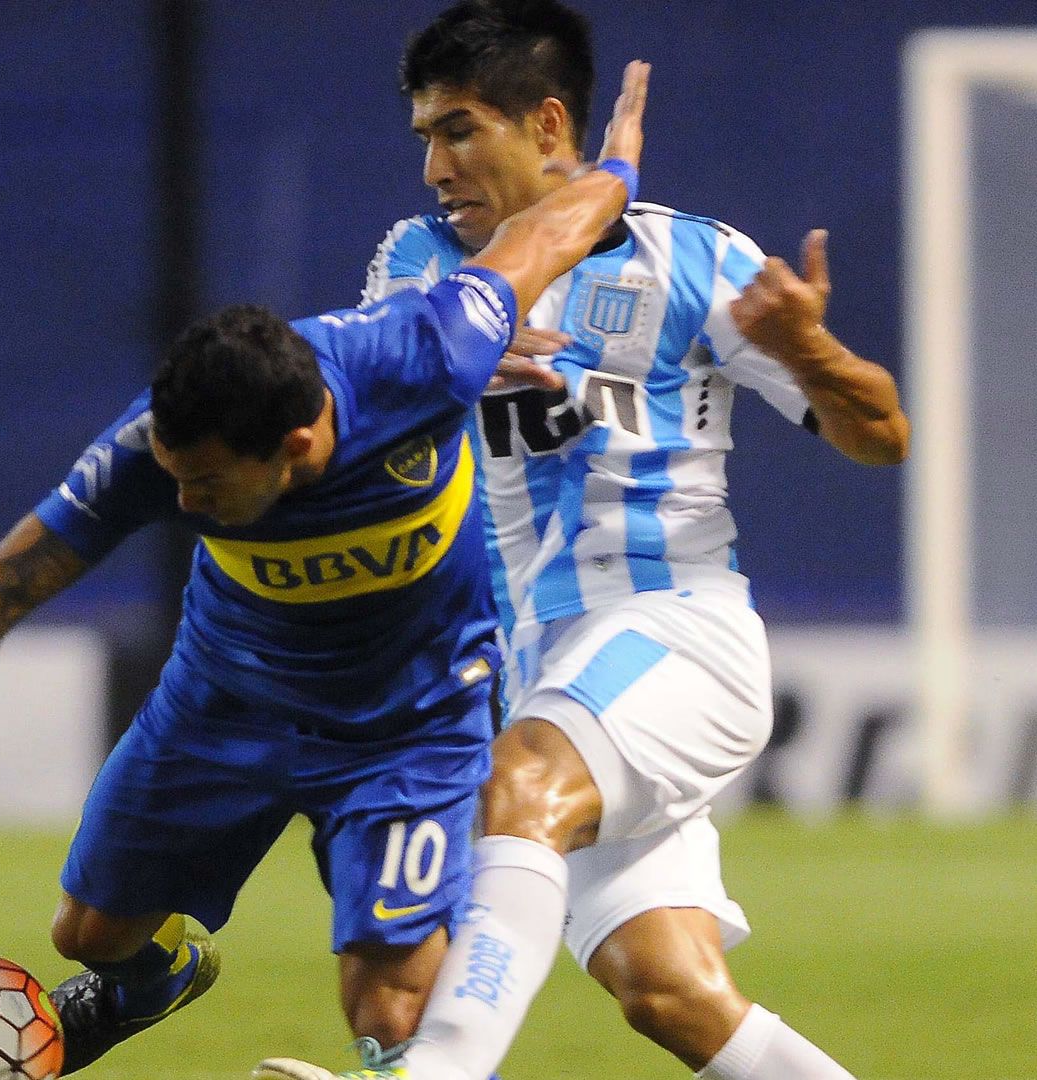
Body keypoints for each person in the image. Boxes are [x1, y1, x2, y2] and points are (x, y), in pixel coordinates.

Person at [0, 60, 650, 1076]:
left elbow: (544, 235)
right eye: (174, 479)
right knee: (85, 934)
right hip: (225, 702)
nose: (183, 503)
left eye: (207, 485)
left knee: (389, 1005)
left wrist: (620, 168)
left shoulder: (425, 351)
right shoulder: (150, 451)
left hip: (409, 725)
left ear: (295, 446)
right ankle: (152, 980)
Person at [254, 4, 907, 1080]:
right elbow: (358, 434)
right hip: (522, 666)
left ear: (548, 124)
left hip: (673, 632)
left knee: (520, 786)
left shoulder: (695, 264)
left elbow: (883, 435)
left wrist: (814, 352)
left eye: (459, 130)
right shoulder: (417, 267)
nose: (433, 168)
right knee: (669, 991)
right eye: (423, 135)